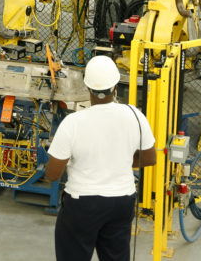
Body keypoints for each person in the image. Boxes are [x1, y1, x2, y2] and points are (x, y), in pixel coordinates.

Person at [46, 55, 156, 261]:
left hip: (82, 205)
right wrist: (121, 161)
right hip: (121, 203)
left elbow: (53, 174)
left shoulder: (73, 122)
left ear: (87, 87)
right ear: (116, 86)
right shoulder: (135, 115)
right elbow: (150, 158)